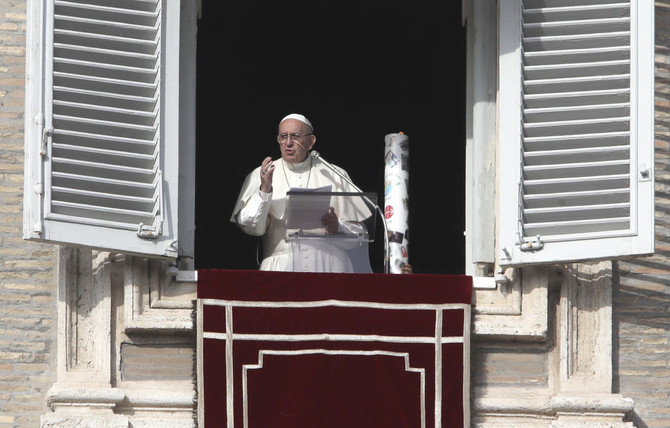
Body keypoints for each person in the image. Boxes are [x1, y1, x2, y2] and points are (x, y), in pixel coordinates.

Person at [231, 113, 371, 272]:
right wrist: (264, 190)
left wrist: (337, 227)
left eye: (295, 136)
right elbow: (251, 228)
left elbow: (361, 236)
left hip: (330, 267)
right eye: (283, 137)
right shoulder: (262, 174)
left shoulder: (335, 174)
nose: (288, 143)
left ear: (311, 142)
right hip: (281, 268)